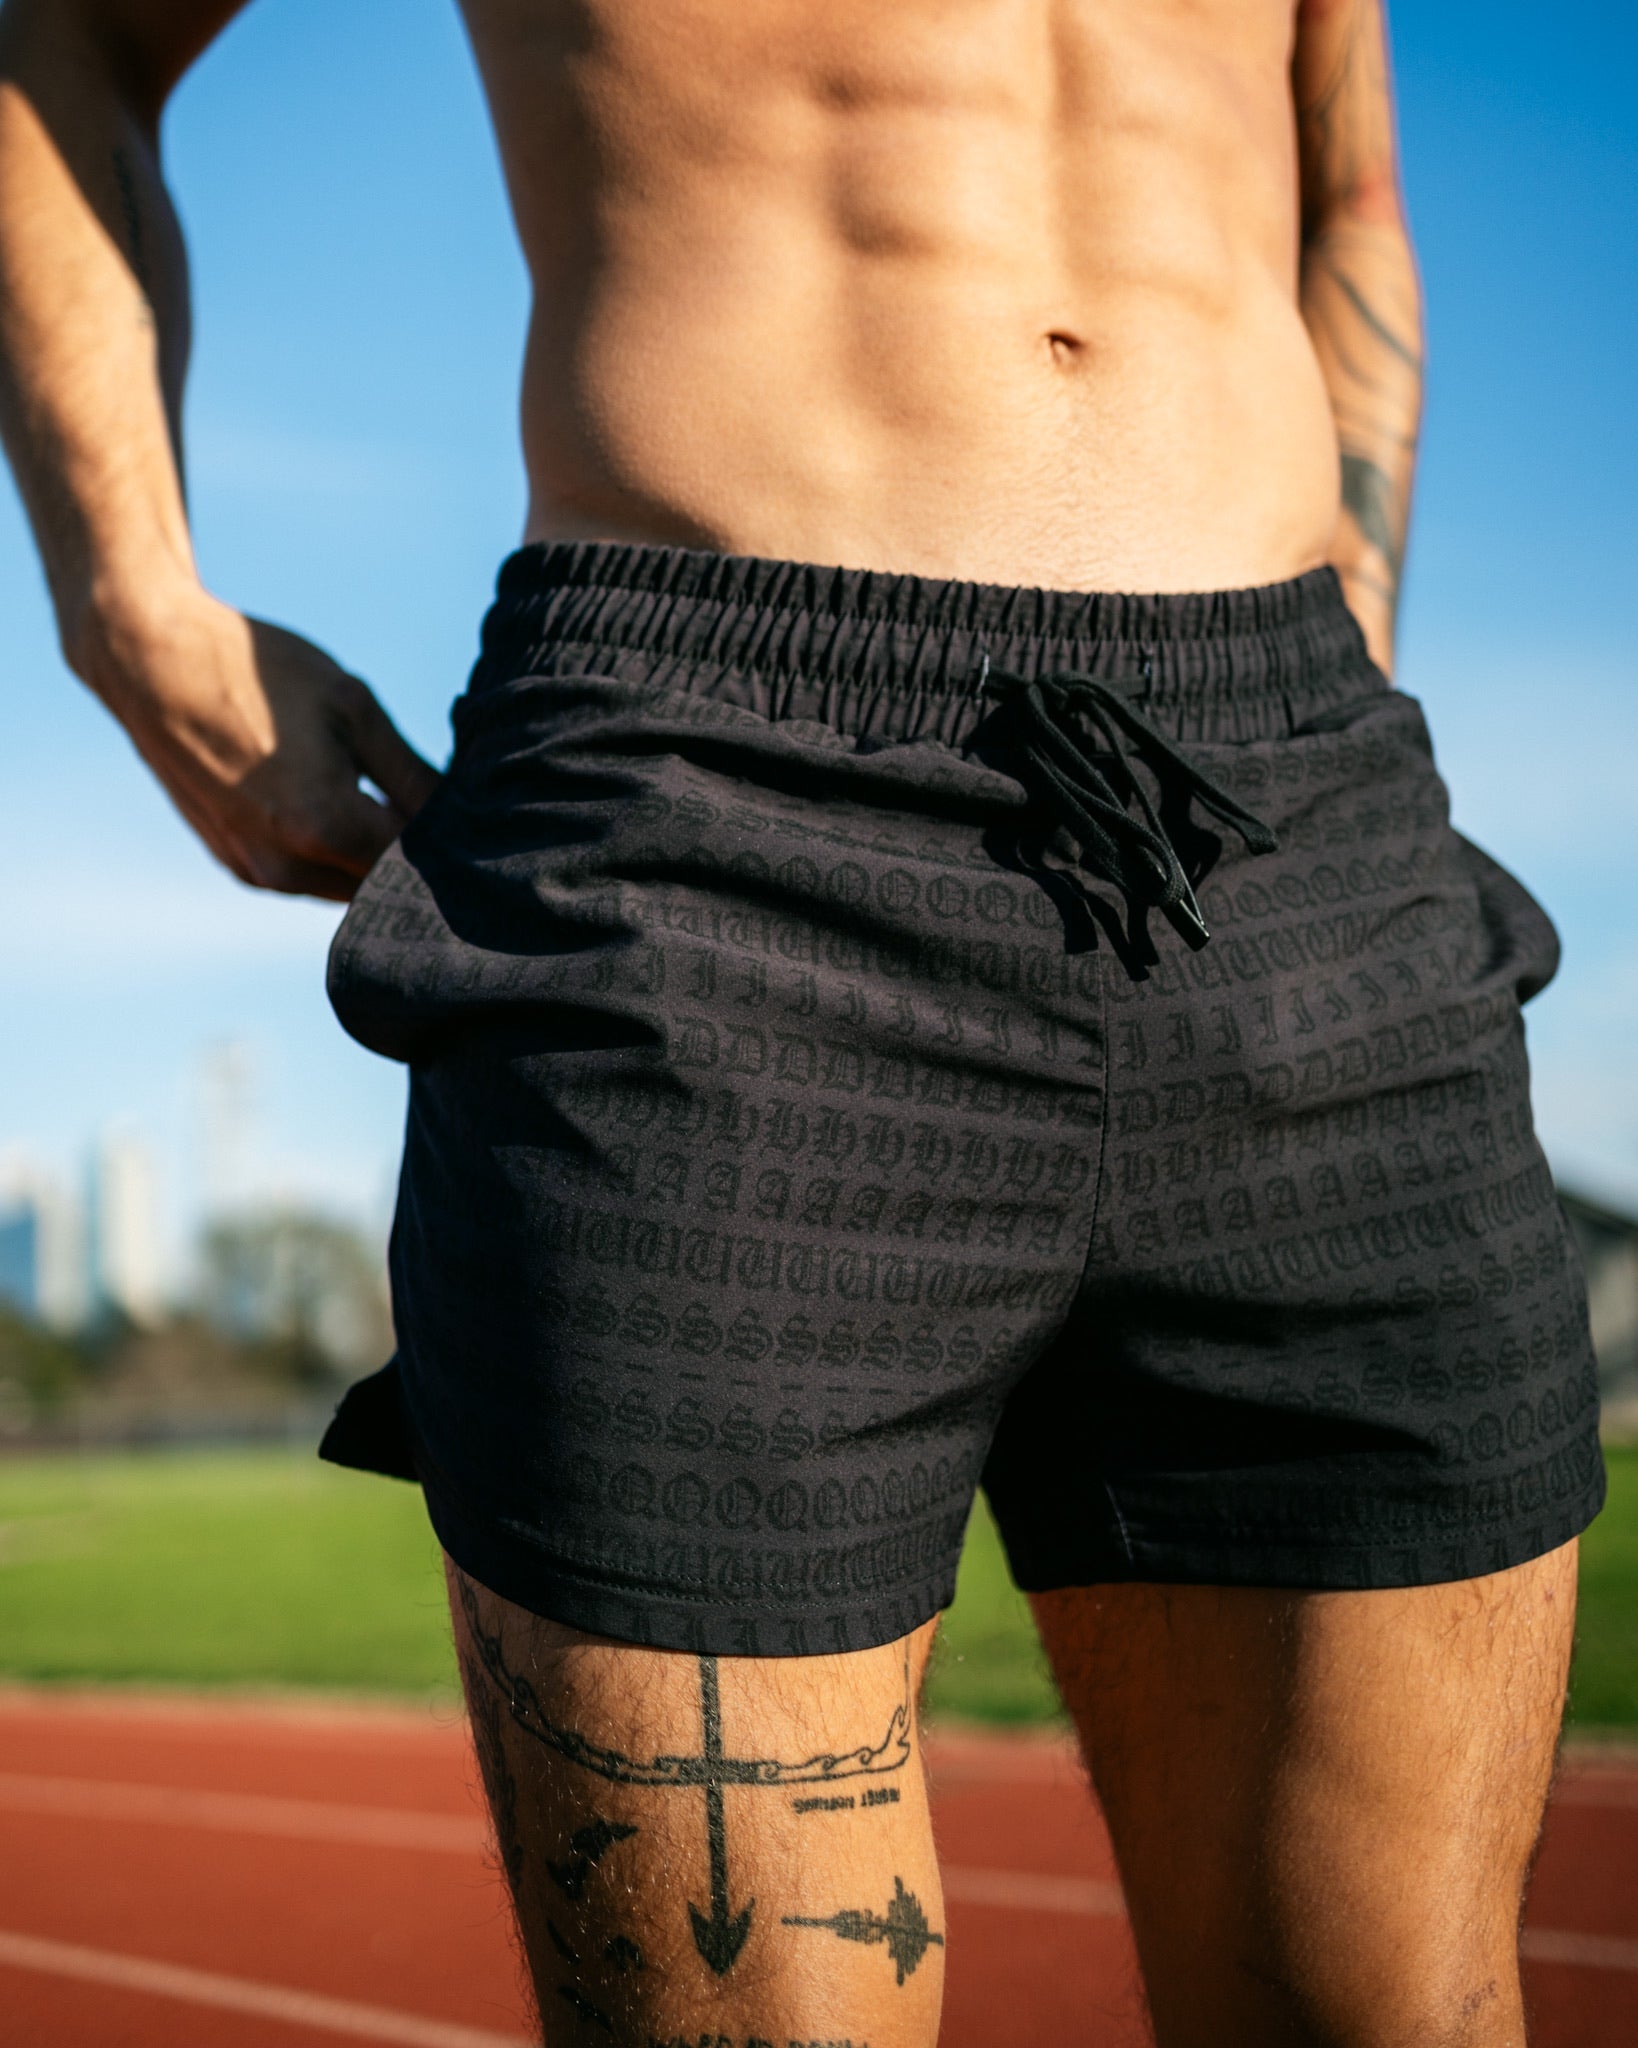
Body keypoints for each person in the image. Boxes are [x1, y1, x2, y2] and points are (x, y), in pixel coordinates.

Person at [0, 1, 1603, 2041]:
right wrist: (132, 606)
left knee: (1403, 2008)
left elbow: (1349, 186)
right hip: (715, 813)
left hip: (1296, 814)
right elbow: (65, 42)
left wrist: (1334, 658)